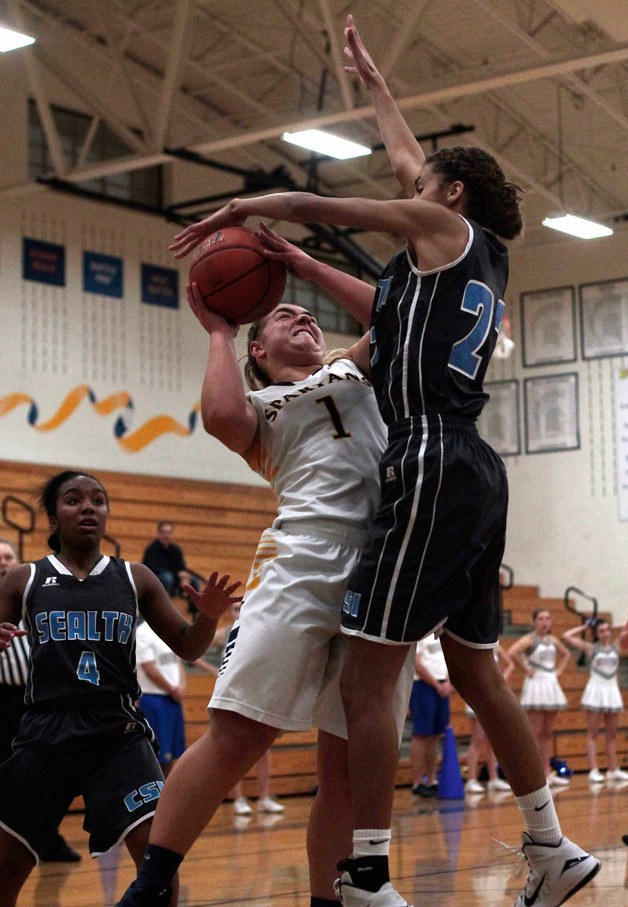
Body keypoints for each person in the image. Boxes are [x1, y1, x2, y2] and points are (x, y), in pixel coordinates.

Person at [155, 15, 602, 906]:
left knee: (367, 680)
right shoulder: (466, 261)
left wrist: (250, 210)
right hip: (463, 473)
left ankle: (362, 872)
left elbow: (341, 206)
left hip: (428, 461)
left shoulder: (428, 247)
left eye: (425, 184)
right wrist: (376, 86)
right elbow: (405, 164)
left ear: (450, 197)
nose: (409, 182)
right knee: (474, 668)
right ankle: (550, 842)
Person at [115, 287, 413, 907]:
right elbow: (220, 417)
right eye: (284, 315)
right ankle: (148, 890)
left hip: (383, 564)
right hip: (302, 555)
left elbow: (397, 312)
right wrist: (218, 331)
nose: (302, 315)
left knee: (345, 768)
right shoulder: (257, 406)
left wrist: (301, 265)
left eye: (308, 314)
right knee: (237, 734)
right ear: (258, 350)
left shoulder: (352, 368)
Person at [0, 470, 241, 907]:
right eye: (73, 500)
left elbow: (189, 646)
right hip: (46, 731)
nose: (88, 507)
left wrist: (208, 617)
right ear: (53, 518)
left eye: (98, 500)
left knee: (158, 870)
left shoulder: (136, 577)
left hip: (117, 732)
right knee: (4, 871)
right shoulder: (24, 578)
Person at [0, 538, 82, 864]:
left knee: (45, 772)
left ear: (18, 561)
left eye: (8, 556)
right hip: (3, 700)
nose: (3, 562)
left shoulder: (38, 596)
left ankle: (49, 840)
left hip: (41, 698)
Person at [508, 609, 572, 786]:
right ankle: (533, 774)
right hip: (536, 684)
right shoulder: (529, 639)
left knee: (547, 732)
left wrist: (558, 671)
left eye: (547, 618)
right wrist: (526, 669)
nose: (544, 622)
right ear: (534, 621)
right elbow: (512, 652)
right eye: (541, 619)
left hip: (550, 684)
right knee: (534, 732)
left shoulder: (553, 640)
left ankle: (546, 771)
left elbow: (566, 654)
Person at [562, 618, 628, 783]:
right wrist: (585, 626)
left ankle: (613, 769)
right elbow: (566, 636)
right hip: (596, 691)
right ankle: (594, 769)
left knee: (612, 734)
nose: (605, 633)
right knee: (593, 733)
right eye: (601, 631)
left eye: (607, 630)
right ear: (596, 634)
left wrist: (614, 626)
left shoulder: (616, 646)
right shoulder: (591, 648)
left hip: (611, 690)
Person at [464, 644, 514, 795]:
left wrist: (499, 682)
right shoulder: (471, 645)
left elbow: (510, 664)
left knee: (493, 739)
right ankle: (471, 779)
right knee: (478, 738)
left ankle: (494, 778)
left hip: (493, 696)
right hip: (478, 694)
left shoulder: (495, 645)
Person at [409, 634, 451, 798]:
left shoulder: (442, 635)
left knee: (435, 734)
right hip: (423, 686)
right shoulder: (420, 635)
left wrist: (447, 682)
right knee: (421, 733)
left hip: (442, 685)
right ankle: (417, 782)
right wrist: (436, 684)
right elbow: (416, 663)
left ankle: (432, 779)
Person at [142, 521, 195, 599]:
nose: (166, 536)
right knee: (167, 577)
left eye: (169, 532)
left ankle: (194, 606)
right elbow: (153, 569)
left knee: (193, 580)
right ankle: (164, 602)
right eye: (163, 532)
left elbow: (181, 567)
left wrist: (185, 576)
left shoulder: (176, 549)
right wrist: (177, 573)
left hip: (173, 577)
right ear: (158, 534)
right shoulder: (151, 549)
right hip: (156, 579)